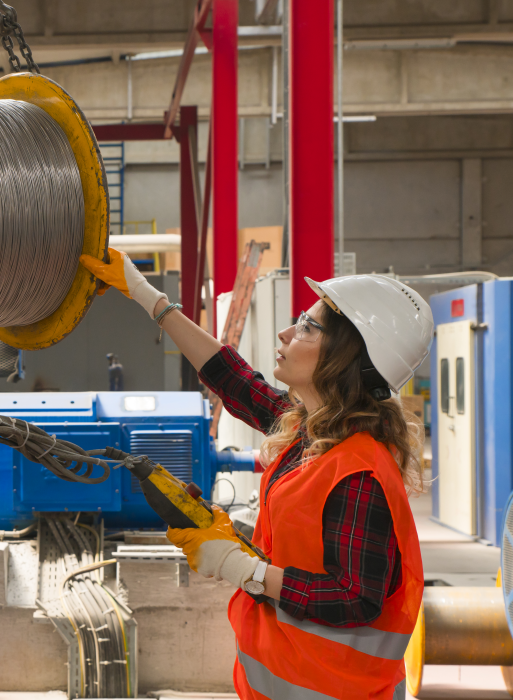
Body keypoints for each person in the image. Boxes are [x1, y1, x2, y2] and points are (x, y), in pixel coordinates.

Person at [81, 249, 433, 700]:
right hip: (285, 680)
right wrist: (149, 298)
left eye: (307, 326)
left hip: (331, 689)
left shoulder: (358, 472)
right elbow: (234, 380)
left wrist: (242, 568)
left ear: (346, 358)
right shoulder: (314, 429)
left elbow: (354, 598)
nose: (287, 333)